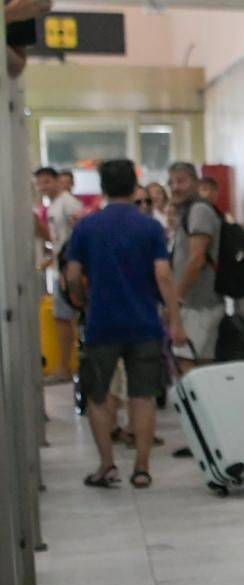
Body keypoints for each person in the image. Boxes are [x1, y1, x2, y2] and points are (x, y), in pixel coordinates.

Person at [61, 158, 180, 489]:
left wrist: (83, 303)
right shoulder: (150, 227)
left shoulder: (86, 226)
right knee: (141, 397)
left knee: (98, 396)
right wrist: (175, 317)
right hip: (144, 323)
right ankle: (141, 468)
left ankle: (107, 465)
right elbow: (163, 274)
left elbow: (72, 276)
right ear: (133, 186)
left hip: (101, 324)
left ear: (102, 188)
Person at [167, 162, 225, 375]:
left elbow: (196, 259)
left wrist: (177, 299)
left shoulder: (199, 211)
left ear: (196, 183)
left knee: (193, 368)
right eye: (171, 182)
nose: (175, 187)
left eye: (181, 181)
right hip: (190, 306)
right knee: (188, 364)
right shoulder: (186, 213)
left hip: (200, 306)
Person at [40, 167, 84, 383]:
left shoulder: (69, 204)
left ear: (57, 181)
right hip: (60, 268)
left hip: (69, 270)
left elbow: (79, 235)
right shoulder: (53, 207)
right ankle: (64, 365)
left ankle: (65, 367)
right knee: (61, 317)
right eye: (39, 183)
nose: (42, 187)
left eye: (47, 182)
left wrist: (72, 268)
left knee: (65, 317)